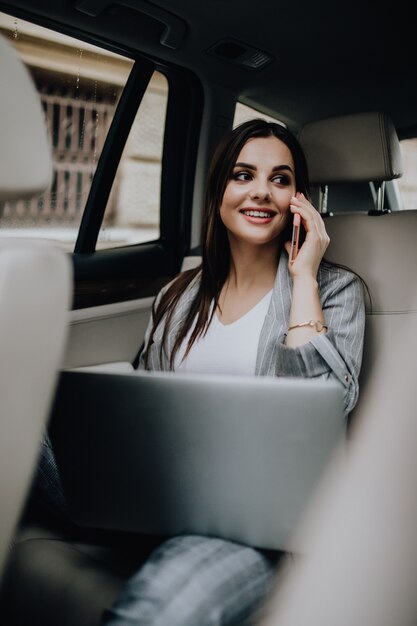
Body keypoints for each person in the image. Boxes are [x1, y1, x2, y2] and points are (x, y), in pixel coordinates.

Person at [33, 118, 365, 625]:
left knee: (158, 610)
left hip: (256, 529)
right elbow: (146, 406)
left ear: (300, 199)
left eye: (281, 179)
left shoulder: (337, 291)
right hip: (153, 500)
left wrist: (304, 279)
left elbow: (322, 413)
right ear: (219, 191)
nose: (261, 192)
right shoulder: (177, 295)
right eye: (243, 174)